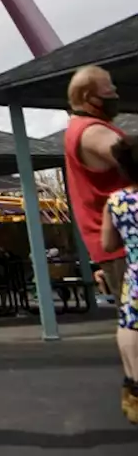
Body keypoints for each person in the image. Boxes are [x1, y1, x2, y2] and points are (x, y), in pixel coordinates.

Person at [63, 66, 132, 304]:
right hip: (127, 245)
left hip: (120, 248)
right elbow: (131, 156)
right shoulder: (92, 132)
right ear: (87, 97)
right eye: (108, 90)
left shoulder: (82, 128)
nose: (114, 94)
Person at [100, 153, 139, 423]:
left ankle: (135, 384)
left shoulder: (116, 201)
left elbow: (108, 244)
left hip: (136, 273)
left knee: (129, 325)